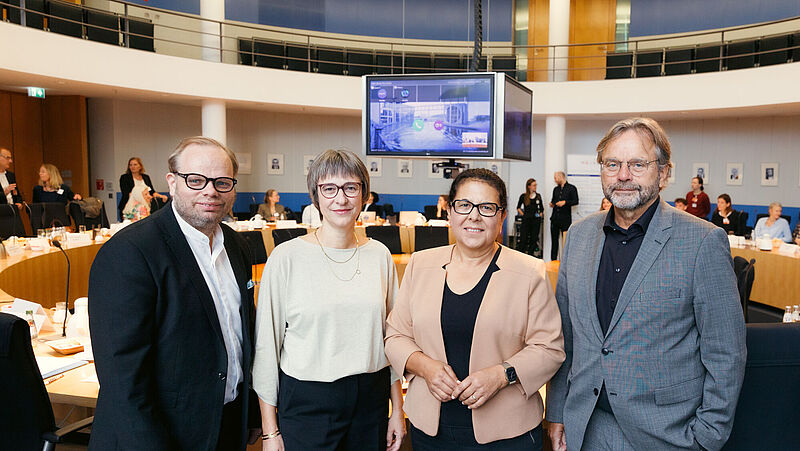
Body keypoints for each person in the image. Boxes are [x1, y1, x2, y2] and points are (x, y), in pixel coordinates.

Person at [546, 118, 746, 451]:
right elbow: (566, 337)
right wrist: (557, 411)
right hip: (585, 426)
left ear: (664, 173)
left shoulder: (702, 241)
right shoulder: (579, 237)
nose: (623, 175)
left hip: (666, 435)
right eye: (613, 164)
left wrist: (707, 436)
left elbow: (726, 353)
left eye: (638, 164)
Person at [88, 137, 260, 450]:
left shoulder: (236, 247)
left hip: (224, 427)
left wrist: (249, 416)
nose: (210, 191)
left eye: (222, 182)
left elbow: (240, 336)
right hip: (160, 437)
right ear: (172, 182)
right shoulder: (130, 252)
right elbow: (123, 380)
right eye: (195, 180)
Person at [385, 168, 565, 450]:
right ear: (450, 212)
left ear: (503, 216)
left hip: (508, 433)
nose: (474, 216)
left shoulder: (530, 273)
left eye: (487, 208)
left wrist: (501, 375)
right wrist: (427, 368)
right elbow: (395, 337)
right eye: (464, 205)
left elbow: (550, 348)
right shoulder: (420, 265)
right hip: (430, 430)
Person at [253, 149, 405, 451]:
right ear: (315, 196)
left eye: (351, 187)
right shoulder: (286, 257)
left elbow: (392, 340)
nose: (341, 198)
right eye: (329, 188)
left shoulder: (380, 256)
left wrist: (397, 410)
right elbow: (266, 347)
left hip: (370, 400)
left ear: (364, 195)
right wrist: (270, 432)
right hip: (308, 402)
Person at [549, 171, 579, 261]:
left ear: (561, 177)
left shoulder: (572, 188)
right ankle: (553, 261)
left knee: (565, 242)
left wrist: (565, 202)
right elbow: (553, 200)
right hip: (555, 219)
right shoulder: (555, 189)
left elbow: (575, 201)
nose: (554, 180)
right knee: (554, 242)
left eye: (555, 177)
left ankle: (565, 261)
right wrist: (552, 203)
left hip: (565, 219)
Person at [516, 178, 544, 256]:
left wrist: (540, 214)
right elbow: (518, 207)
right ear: (529, 186)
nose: (535, 187)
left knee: (534, 239)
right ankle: (521, 256)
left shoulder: (538, 196)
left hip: (536, 221)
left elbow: (542, 209)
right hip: (526, 221)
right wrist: (523, 214)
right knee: (523, 239)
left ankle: (530, 256)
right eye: (534, 185)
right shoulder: (523, 196)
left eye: (536, 185)